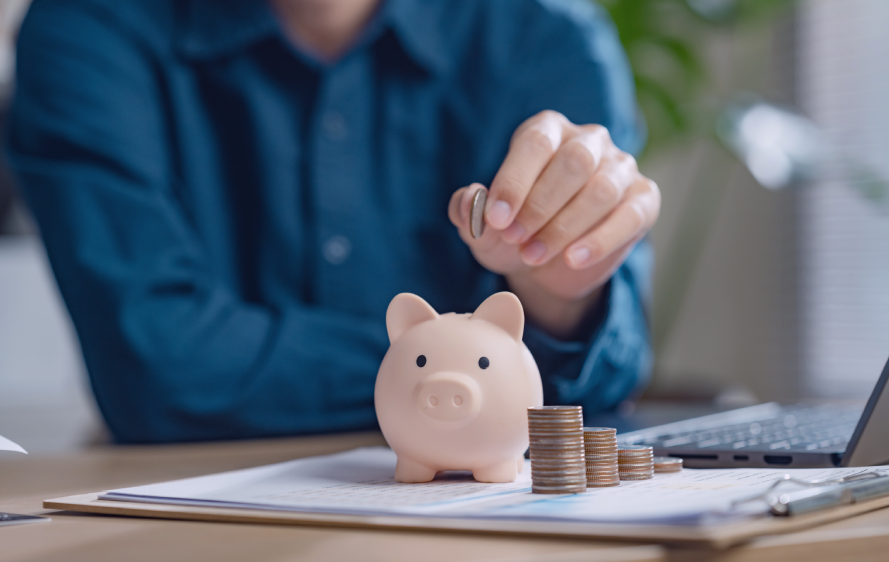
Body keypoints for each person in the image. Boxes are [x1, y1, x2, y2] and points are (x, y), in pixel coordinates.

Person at [6, 0, 660, 443]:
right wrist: (498, 365)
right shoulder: (88, 28)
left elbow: (604, 370)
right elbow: (155, 371)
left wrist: (557, 300)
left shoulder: (544, 32)